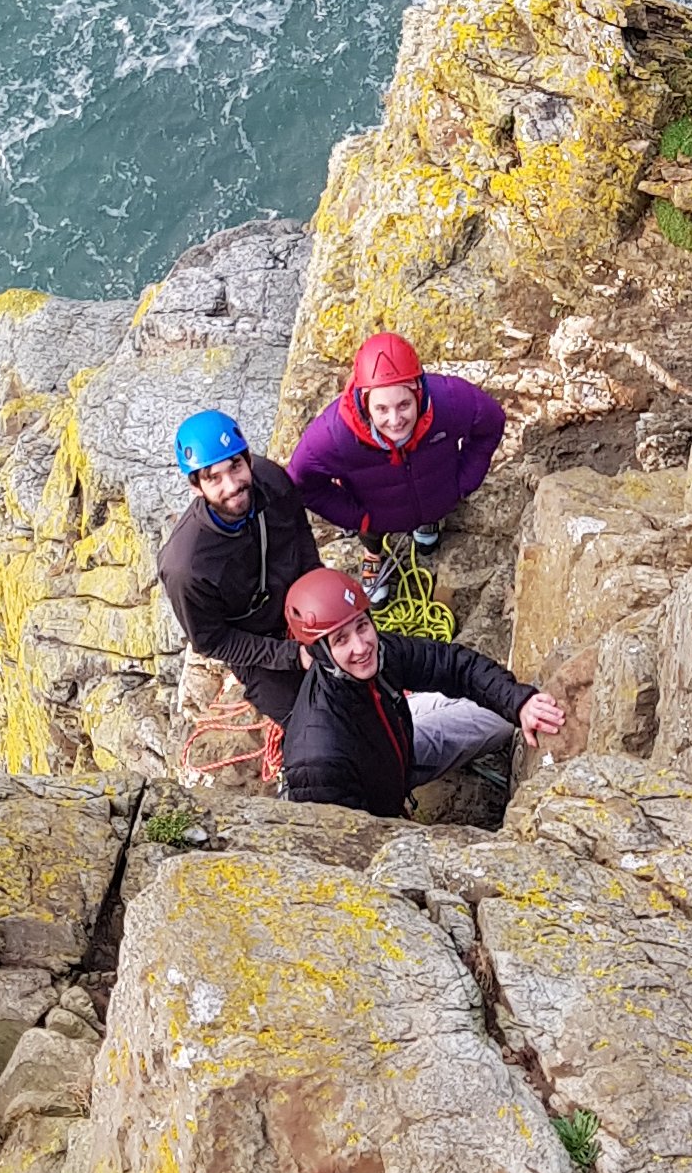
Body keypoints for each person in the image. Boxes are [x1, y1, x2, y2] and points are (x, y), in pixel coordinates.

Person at [277, 565, 563, 818]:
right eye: (341, 640)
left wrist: (518, 702)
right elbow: (349, 839)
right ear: (320, 653)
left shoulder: (382, 654)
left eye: (362, 626)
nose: (361, 647)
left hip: (393, 745)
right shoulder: (317, 761)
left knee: (502, 718)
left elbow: (451, 665)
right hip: (375, 785)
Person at [285, 331, 505, 603]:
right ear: (364, 404)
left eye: (404, 405)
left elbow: (491, 422)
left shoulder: (449, 402)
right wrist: (356, 518)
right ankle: (372, 554)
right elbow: (302, 483)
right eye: (381, 409)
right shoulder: (334, 436)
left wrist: (462, 483)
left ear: (419, 393)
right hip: (375, 511)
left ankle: (428, 521)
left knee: (429, 507)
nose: (395, 420)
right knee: (371, 533)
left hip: (436, 495)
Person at [156, 410, 318, 730]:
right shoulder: (186, 566)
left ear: (248, 460)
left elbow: (300, 533)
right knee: (307, 720)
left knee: (361, 656)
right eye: (213, 478)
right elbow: (212, 641)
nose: (231, 486)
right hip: (250, 638)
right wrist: (291, 655)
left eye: (235, 466)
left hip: (297, 599)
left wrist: (318, 592)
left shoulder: (271, 481)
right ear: (196, 487)